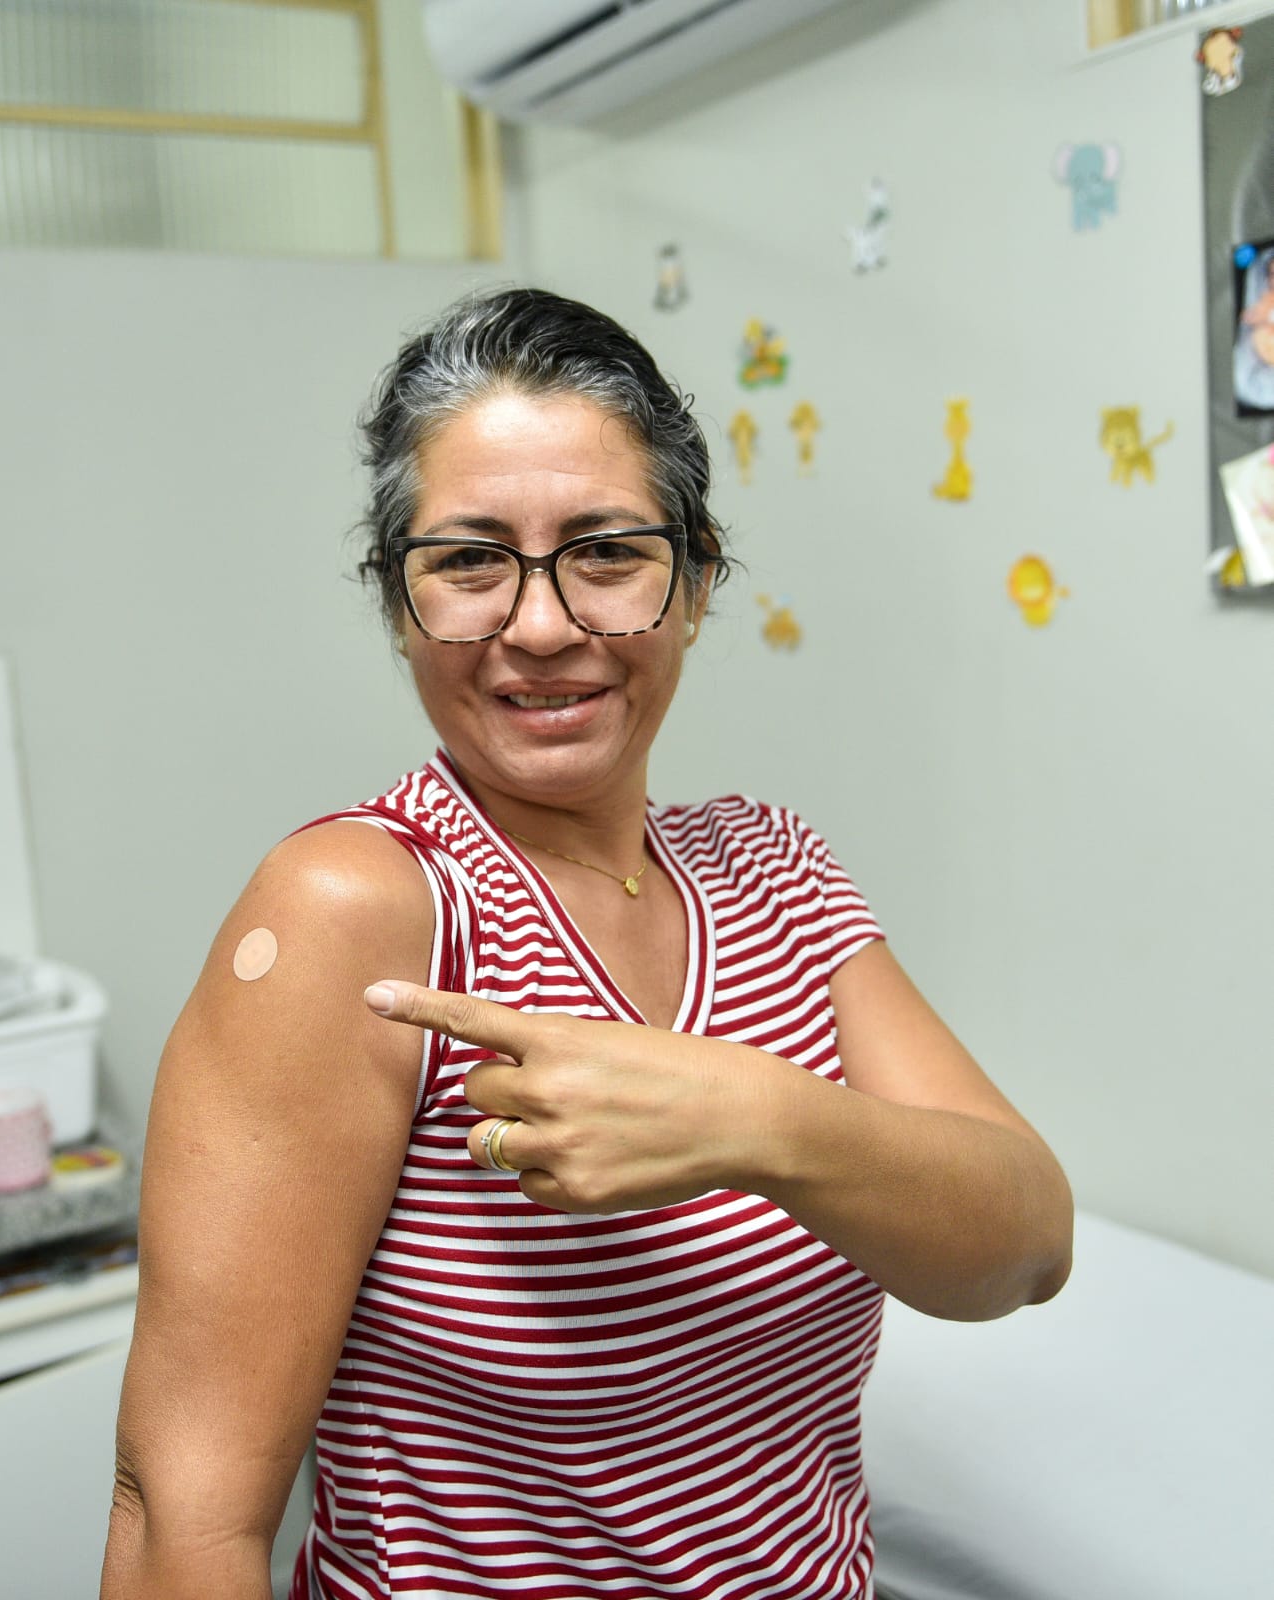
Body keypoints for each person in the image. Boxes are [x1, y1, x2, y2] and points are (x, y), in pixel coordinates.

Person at [100, 287, 1073, 1600]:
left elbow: (1028, 1243)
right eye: (469, 562)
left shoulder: (775, 869)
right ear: (398, 603)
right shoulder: (363, 909)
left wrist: (753, 1118)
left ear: (698, 581)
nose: (544, 625)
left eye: (607, 552)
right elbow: (183, 1517)